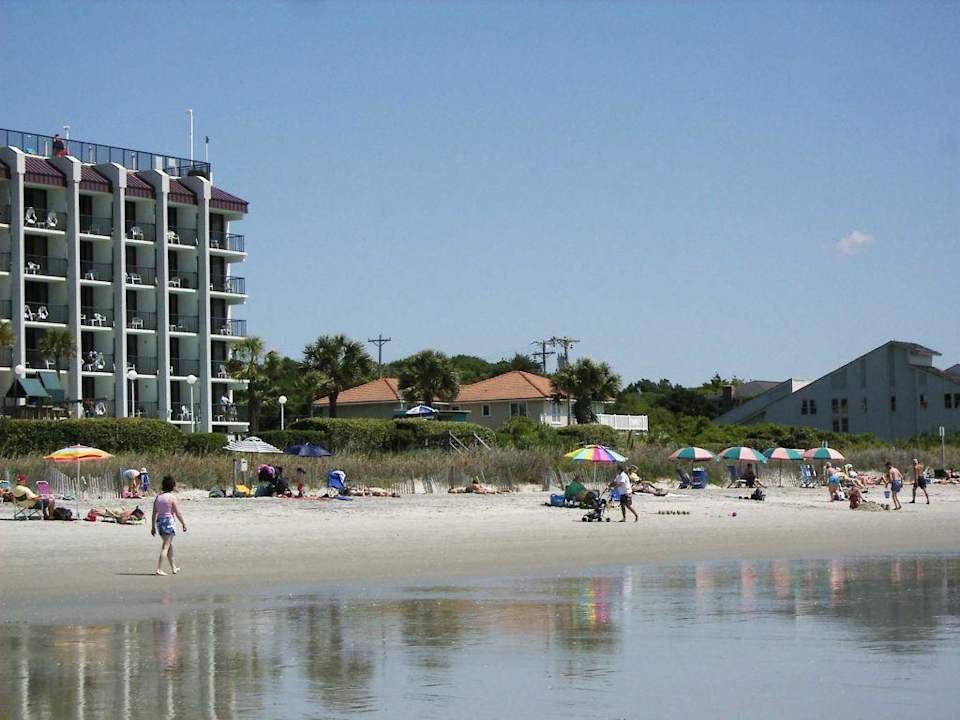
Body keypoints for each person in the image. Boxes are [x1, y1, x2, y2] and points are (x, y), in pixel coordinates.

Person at [151, 475, 187, 576]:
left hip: (159, 522)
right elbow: (177, 513)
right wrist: (183, 524)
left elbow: (154, 514)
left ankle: (174, 568)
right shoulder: (172, 498)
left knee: (168, 545)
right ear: (172, 486)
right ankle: (159, 569)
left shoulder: (158, 498)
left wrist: (153, 527)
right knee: (166, 546)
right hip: (168, 522)